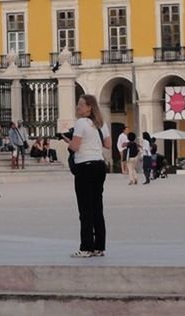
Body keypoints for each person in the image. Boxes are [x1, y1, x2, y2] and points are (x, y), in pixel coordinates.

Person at [62, 94, 111, 258]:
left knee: (85, 209)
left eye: (81, 105)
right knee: (97, 207)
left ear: (89, 107)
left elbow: (75, 147)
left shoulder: (81, 123)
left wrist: (66, 140)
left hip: (85, 167)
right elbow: (108, 145)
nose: (78, 107)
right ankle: (99, 247)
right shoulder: (101, 123)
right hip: (99, 165)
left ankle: (86, 247)